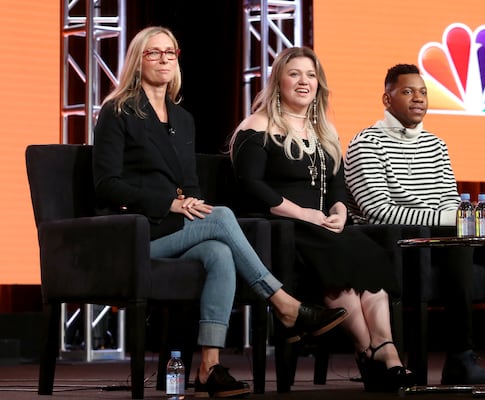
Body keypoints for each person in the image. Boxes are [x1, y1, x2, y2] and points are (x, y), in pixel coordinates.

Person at [92, 27, 348, 398]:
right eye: (153, 53)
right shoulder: (117, 111)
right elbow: (107, 184)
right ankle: (285, 304)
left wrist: (191, 201)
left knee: (220, 252)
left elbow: (191, 183)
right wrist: (169, 203)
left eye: (170, 52)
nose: (164, 59)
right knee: (224, 216)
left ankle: (209, 366)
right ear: (137, 60)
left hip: (175, 228)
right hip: (135, 232)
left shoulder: (183, 119)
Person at [344, 63, 485, 386]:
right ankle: (461, 356)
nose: (418, 98)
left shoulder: (436, 144)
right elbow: (378, 211)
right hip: (395, 245)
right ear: (387, 99)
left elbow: (449, 200)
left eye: (423, 92)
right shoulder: (366, 142)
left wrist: (454, 220)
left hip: (439, 235)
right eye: (407, 91)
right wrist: (449, 223)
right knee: (457, 231)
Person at [227, 46, 414, 392]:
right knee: (337, 256)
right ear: (278, 81)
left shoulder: (323, 131)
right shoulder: (257, 127)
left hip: (321, 226)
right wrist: (302, 213)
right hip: (283, 228)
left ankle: (387, 352)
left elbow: (337, 188)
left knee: (368, 252)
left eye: (310, 75)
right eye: (294, 74)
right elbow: (251, 186)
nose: (304, 81)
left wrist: (339, 212)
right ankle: (367, 349)